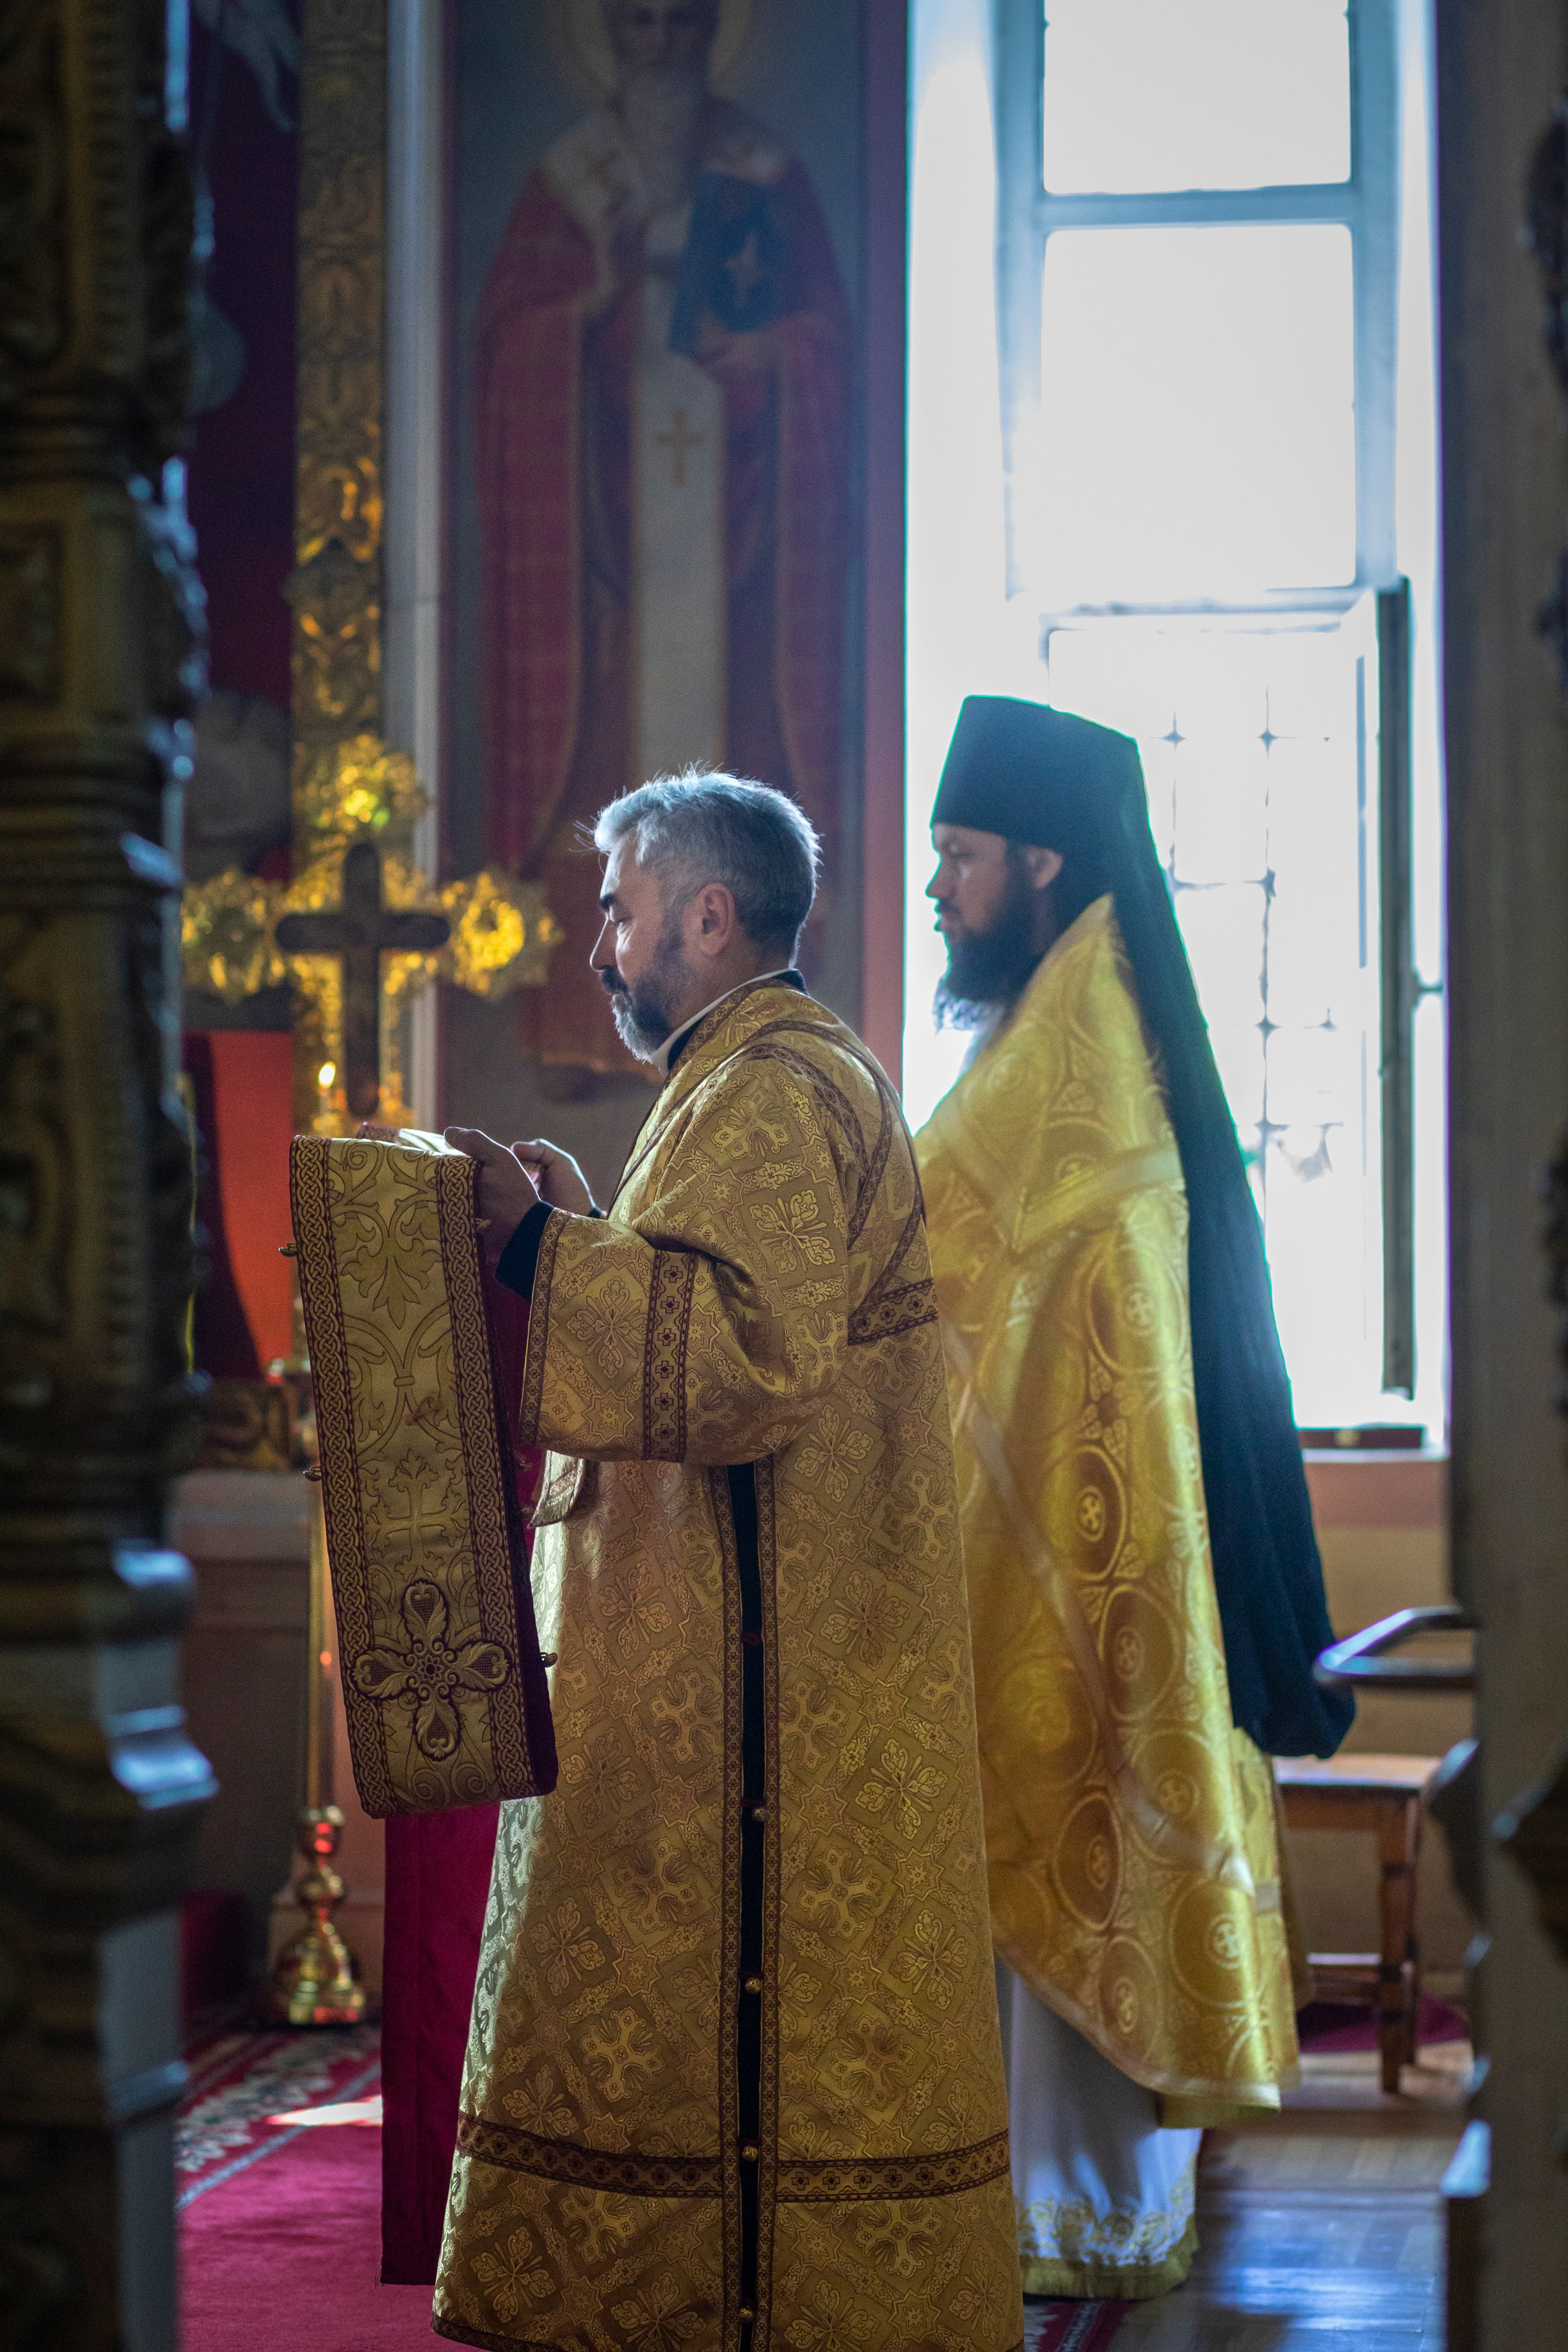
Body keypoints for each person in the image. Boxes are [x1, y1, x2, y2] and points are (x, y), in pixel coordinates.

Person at [436, 772, 1023, 2352]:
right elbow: (706, 1299)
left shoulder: (766, 1084)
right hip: (740, 1641)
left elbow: (748, 1363)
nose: (598, 946)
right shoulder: (753, 1072)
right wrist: (585, 1234)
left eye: (619, 911)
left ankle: (727, 2307)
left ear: (708, 914)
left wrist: (526, 1249)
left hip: (757, 1693)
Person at [913, 695, 1352, 2302]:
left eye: (960, 855)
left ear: (1041, 858)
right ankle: (1099, 2202)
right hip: (1098, 1529)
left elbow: (919, 1245)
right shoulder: (1082, 1012)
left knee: (1058, 1812)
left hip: (1082, 1546)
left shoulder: (1073, 1045)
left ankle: (1068, 2209)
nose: (943, 884)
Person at [475, 0, 850, 1077]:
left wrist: (776, 359)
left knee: (728, 726)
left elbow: (826, 335)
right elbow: (509, 342)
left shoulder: (763, 173)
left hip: (732, 516)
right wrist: (590, 309)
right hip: (608, 533)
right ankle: (571, 1044)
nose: (654, 42)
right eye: (631, 21)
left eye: (675, 20)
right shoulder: (569, 179)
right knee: (609, 749)